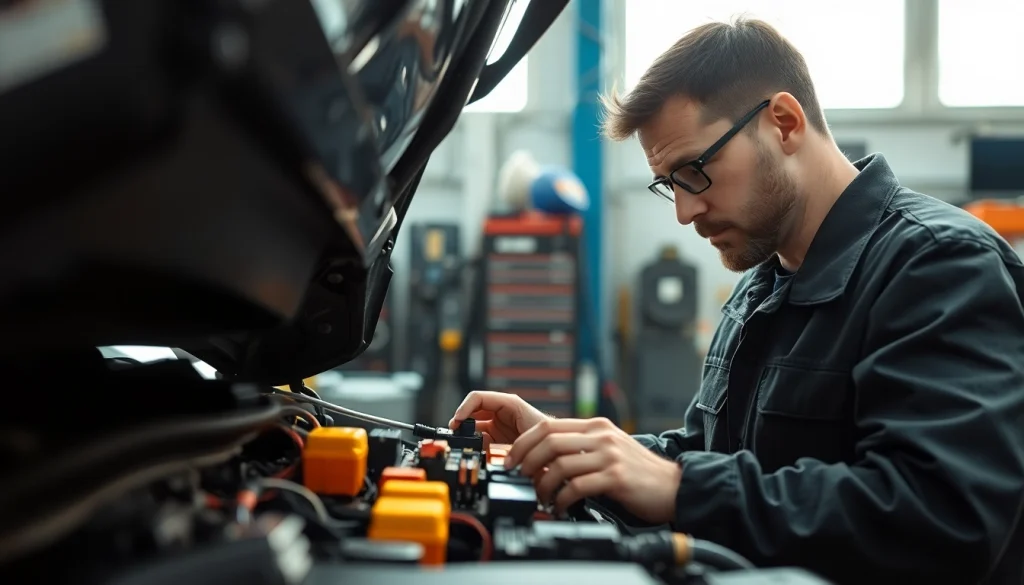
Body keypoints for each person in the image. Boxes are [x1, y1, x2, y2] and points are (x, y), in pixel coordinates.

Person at [449, 17, 1024, 585]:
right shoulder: (763, 284)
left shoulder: (939, 265)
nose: (684, 212)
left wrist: (679, 489)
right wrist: (578, 449)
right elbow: (709, 454)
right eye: (668, 184)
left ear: (784, 122)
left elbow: (942, 520)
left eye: (694, 171)